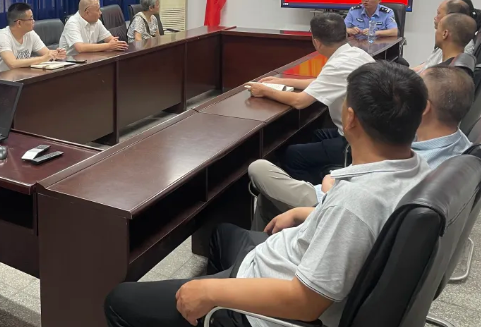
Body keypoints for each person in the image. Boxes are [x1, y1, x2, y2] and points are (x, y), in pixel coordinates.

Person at [105, 62, 430, 327]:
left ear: (350, 118)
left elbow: (305, 303)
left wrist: (212, 291)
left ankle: (218, 313)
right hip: (278, 262)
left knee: (119, 301)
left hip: (270, 309)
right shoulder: (418, 169)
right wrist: (307, 212)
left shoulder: (356, 203)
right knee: (221, 236)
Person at [248, 65, 474, 230]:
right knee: (270, 199)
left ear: (424, 107)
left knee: (258, 168)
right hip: (342, 193)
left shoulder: (423, 165)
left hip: (334, 204)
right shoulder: (460, 147)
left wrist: (327, 191)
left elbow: (371, 210)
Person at [245, 13, 374, 184]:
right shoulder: (355, 54)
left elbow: (300, 102)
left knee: (292, 155)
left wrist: (264, 91)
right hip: (367, 132)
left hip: (357, 143)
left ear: (316, 42)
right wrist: (282, 81)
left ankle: (313, 196)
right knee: (313, 134)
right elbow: (323, 82)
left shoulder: (338, 65)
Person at [0, 3, 67, 75]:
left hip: (19, 78)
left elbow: (47, 53)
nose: (33, 21)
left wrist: (56, 54)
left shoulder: (30, 34)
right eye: (30, 19)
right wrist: (43, 58)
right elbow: (12, 64)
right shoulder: (2, 37)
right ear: (19, 23)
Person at [414, 0, 475, 72]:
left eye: (438, 13)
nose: (435, 18)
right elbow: (427, 65)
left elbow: (432, 73)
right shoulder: (446, 45)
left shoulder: (454, 47)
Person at [59, 0, 129, 55]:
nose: (100, 13)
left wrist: (115, 43)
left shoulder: (96, 21)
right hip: (71, 63)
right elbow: (80, 48)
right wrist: (108, 46)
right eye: (98, 10)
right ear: (87, 12)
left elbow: (110, 39)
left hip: (90, 59)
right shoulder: (72, 23)